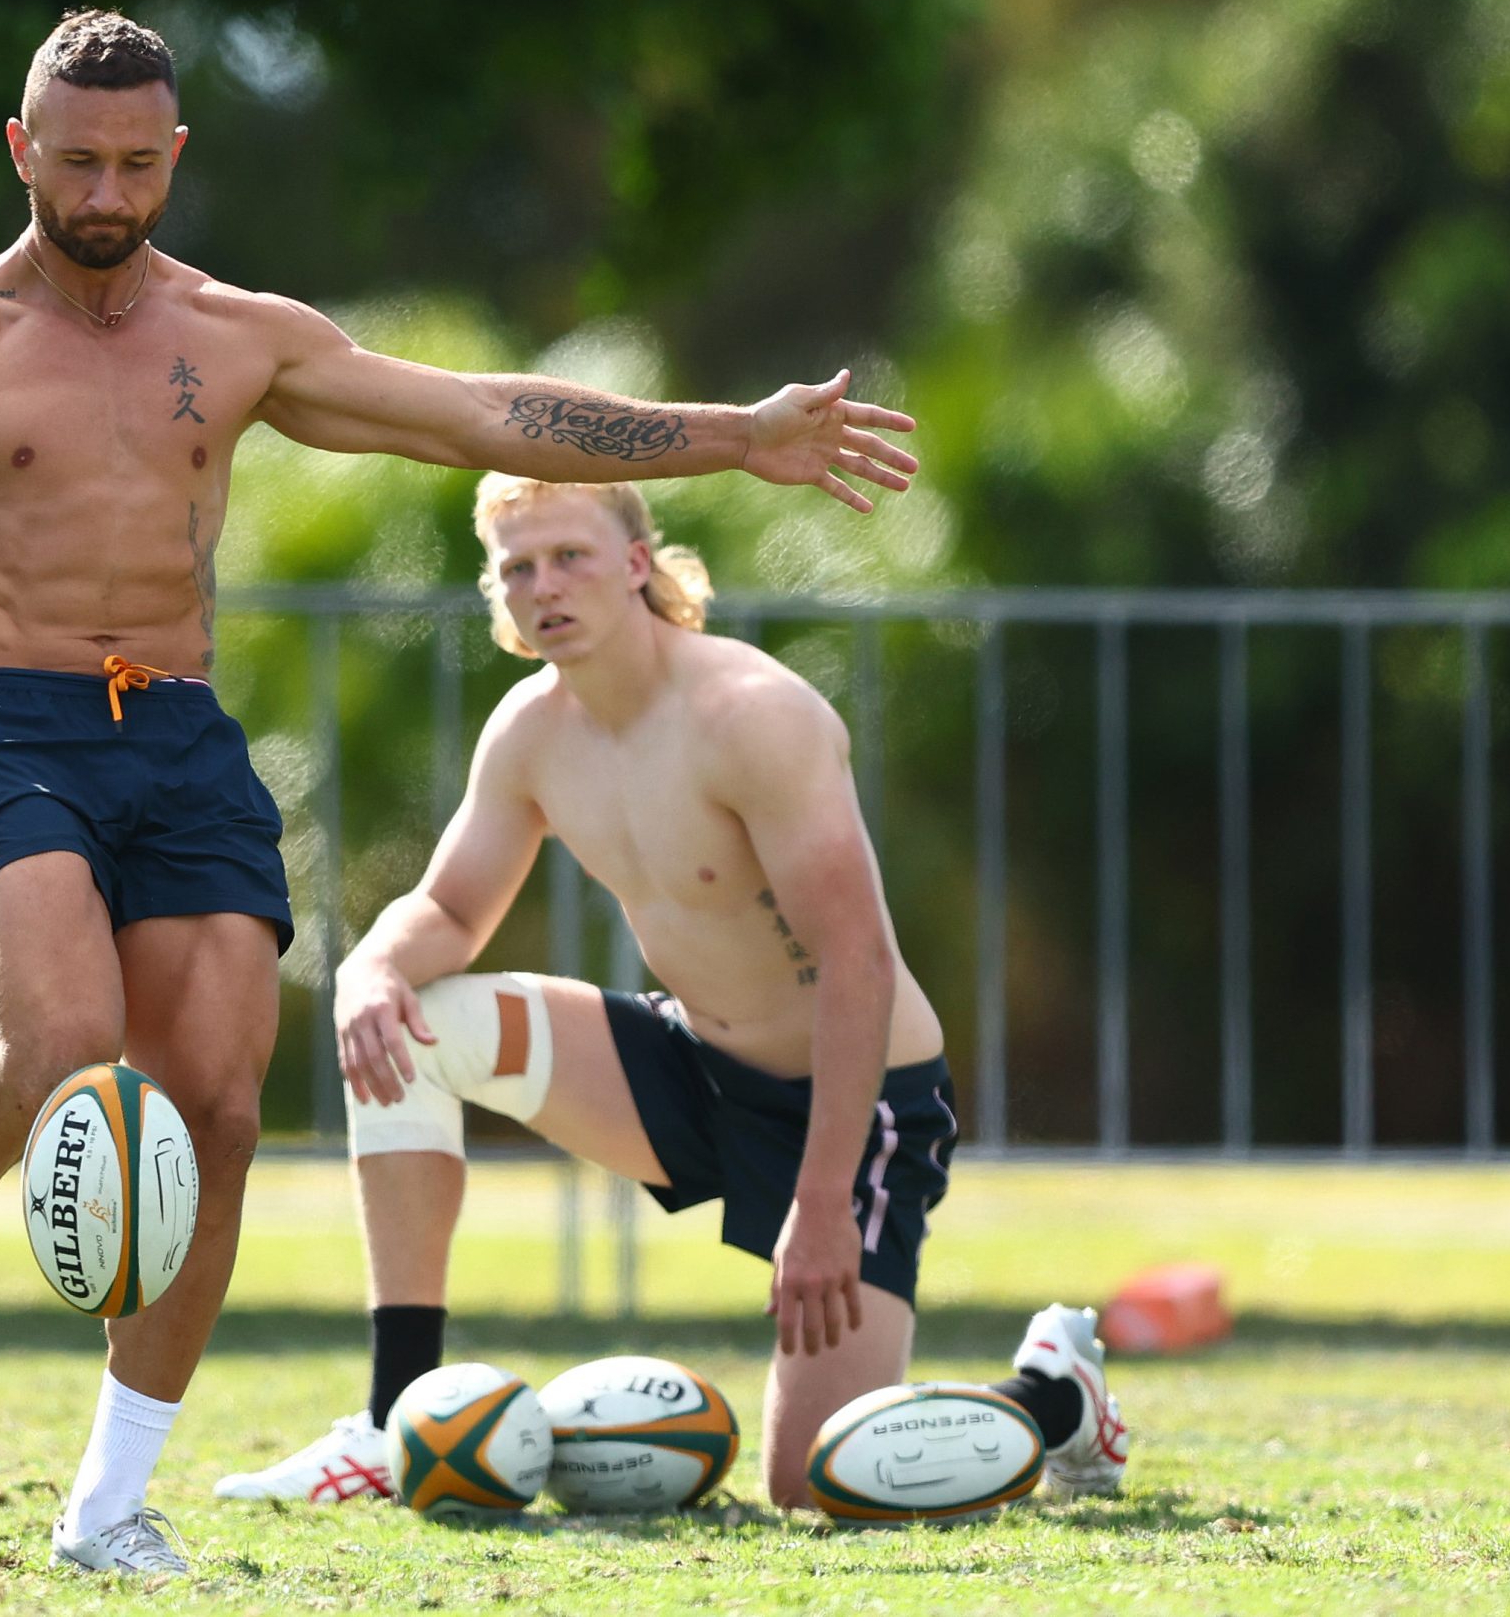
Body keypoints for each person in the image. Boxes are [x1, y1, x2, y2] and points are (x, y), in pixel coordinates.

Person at [0, 8, 922, 1575]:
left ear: (174, 156)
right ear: (20, 152)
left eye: (134, 162)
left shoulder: (236, 334)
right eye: (75, 161)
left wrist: (736, 436)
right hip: (20, 725)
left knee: (223, 1113)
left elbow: (478, 413)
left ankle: (106, 1503)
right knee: (52, 1045)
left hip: (180, 736)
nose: (105, 193)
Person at [215, 473, 1130, 1512]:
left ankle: (1055, 1394)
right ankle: (392, 1421)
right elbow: (450, 908)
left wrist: (823, 1199)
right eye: (518, 567)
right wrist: (371, 966)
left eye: (571, 556)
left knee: (816, 1482)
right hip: (693, 1063)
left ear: (637, 564)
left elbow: (857, 961)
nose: (544, 585)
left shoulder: (754, 713)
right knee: (410, 1022)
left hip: (858, 1105)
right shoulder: (529, 731)